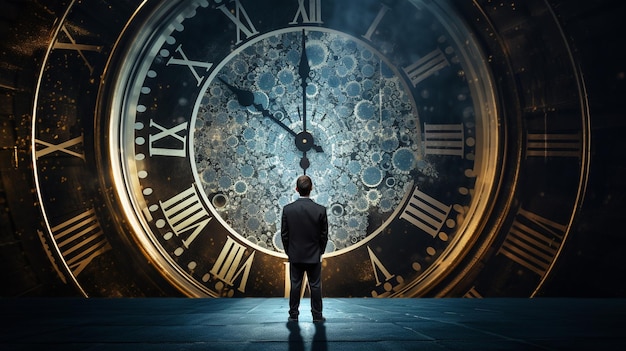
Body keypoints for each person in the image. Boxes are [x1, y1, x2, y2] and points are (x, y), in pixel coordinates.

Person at [281, 175, 329, 323]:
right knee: (315, 286)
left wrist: (290, 251)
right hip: (314, 255)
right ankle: (317, 315)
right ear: (312, 188)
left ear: (296, 189)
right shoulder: (320, 210)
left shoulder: (288, 210)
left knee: (295, 285)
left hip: (295, 254)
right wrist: (319, 251)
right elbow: (324, 235)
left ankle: (293, 315)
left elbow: (284, 235)